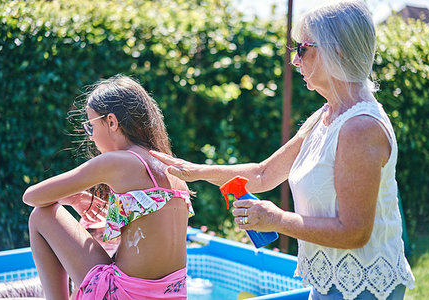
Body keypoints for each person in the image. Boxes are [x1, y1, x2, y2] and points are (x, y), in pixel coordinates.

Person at [150, 1, 414, 299]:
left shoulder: (359, 129)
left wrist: (275, 219)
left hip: (364, 289)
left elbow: (354, 231)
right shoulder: (326, 116)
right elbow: (264, 174)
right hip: (332, 284)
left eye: (302, 48)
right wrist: (194, 171)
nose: (295, 60)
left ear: (336, 50)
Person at [23, 75, 194, 299]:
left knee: (41, 215)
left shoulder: (118, 161)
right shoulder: (169, 166)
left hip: (123, 296)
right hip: (173, 295)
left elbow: (31, 196)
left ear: (111, 122)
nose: (91, 137)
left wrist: (73, 199)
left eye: (90, 125)